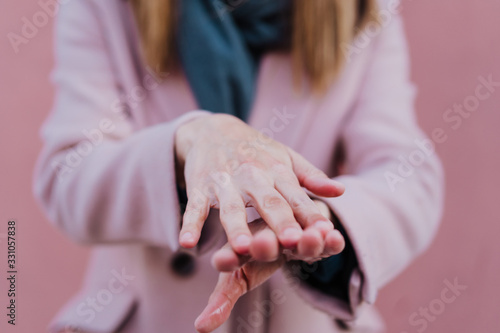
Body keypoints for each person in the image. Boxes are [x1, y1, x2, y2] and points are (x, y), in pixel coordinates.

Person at [33, 0, 444, 332]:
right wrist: (185, 144)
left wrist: (320, 218)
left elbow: (407, 173)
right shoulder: (105, 7)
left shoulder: (364, 8)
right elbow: (69, 171)